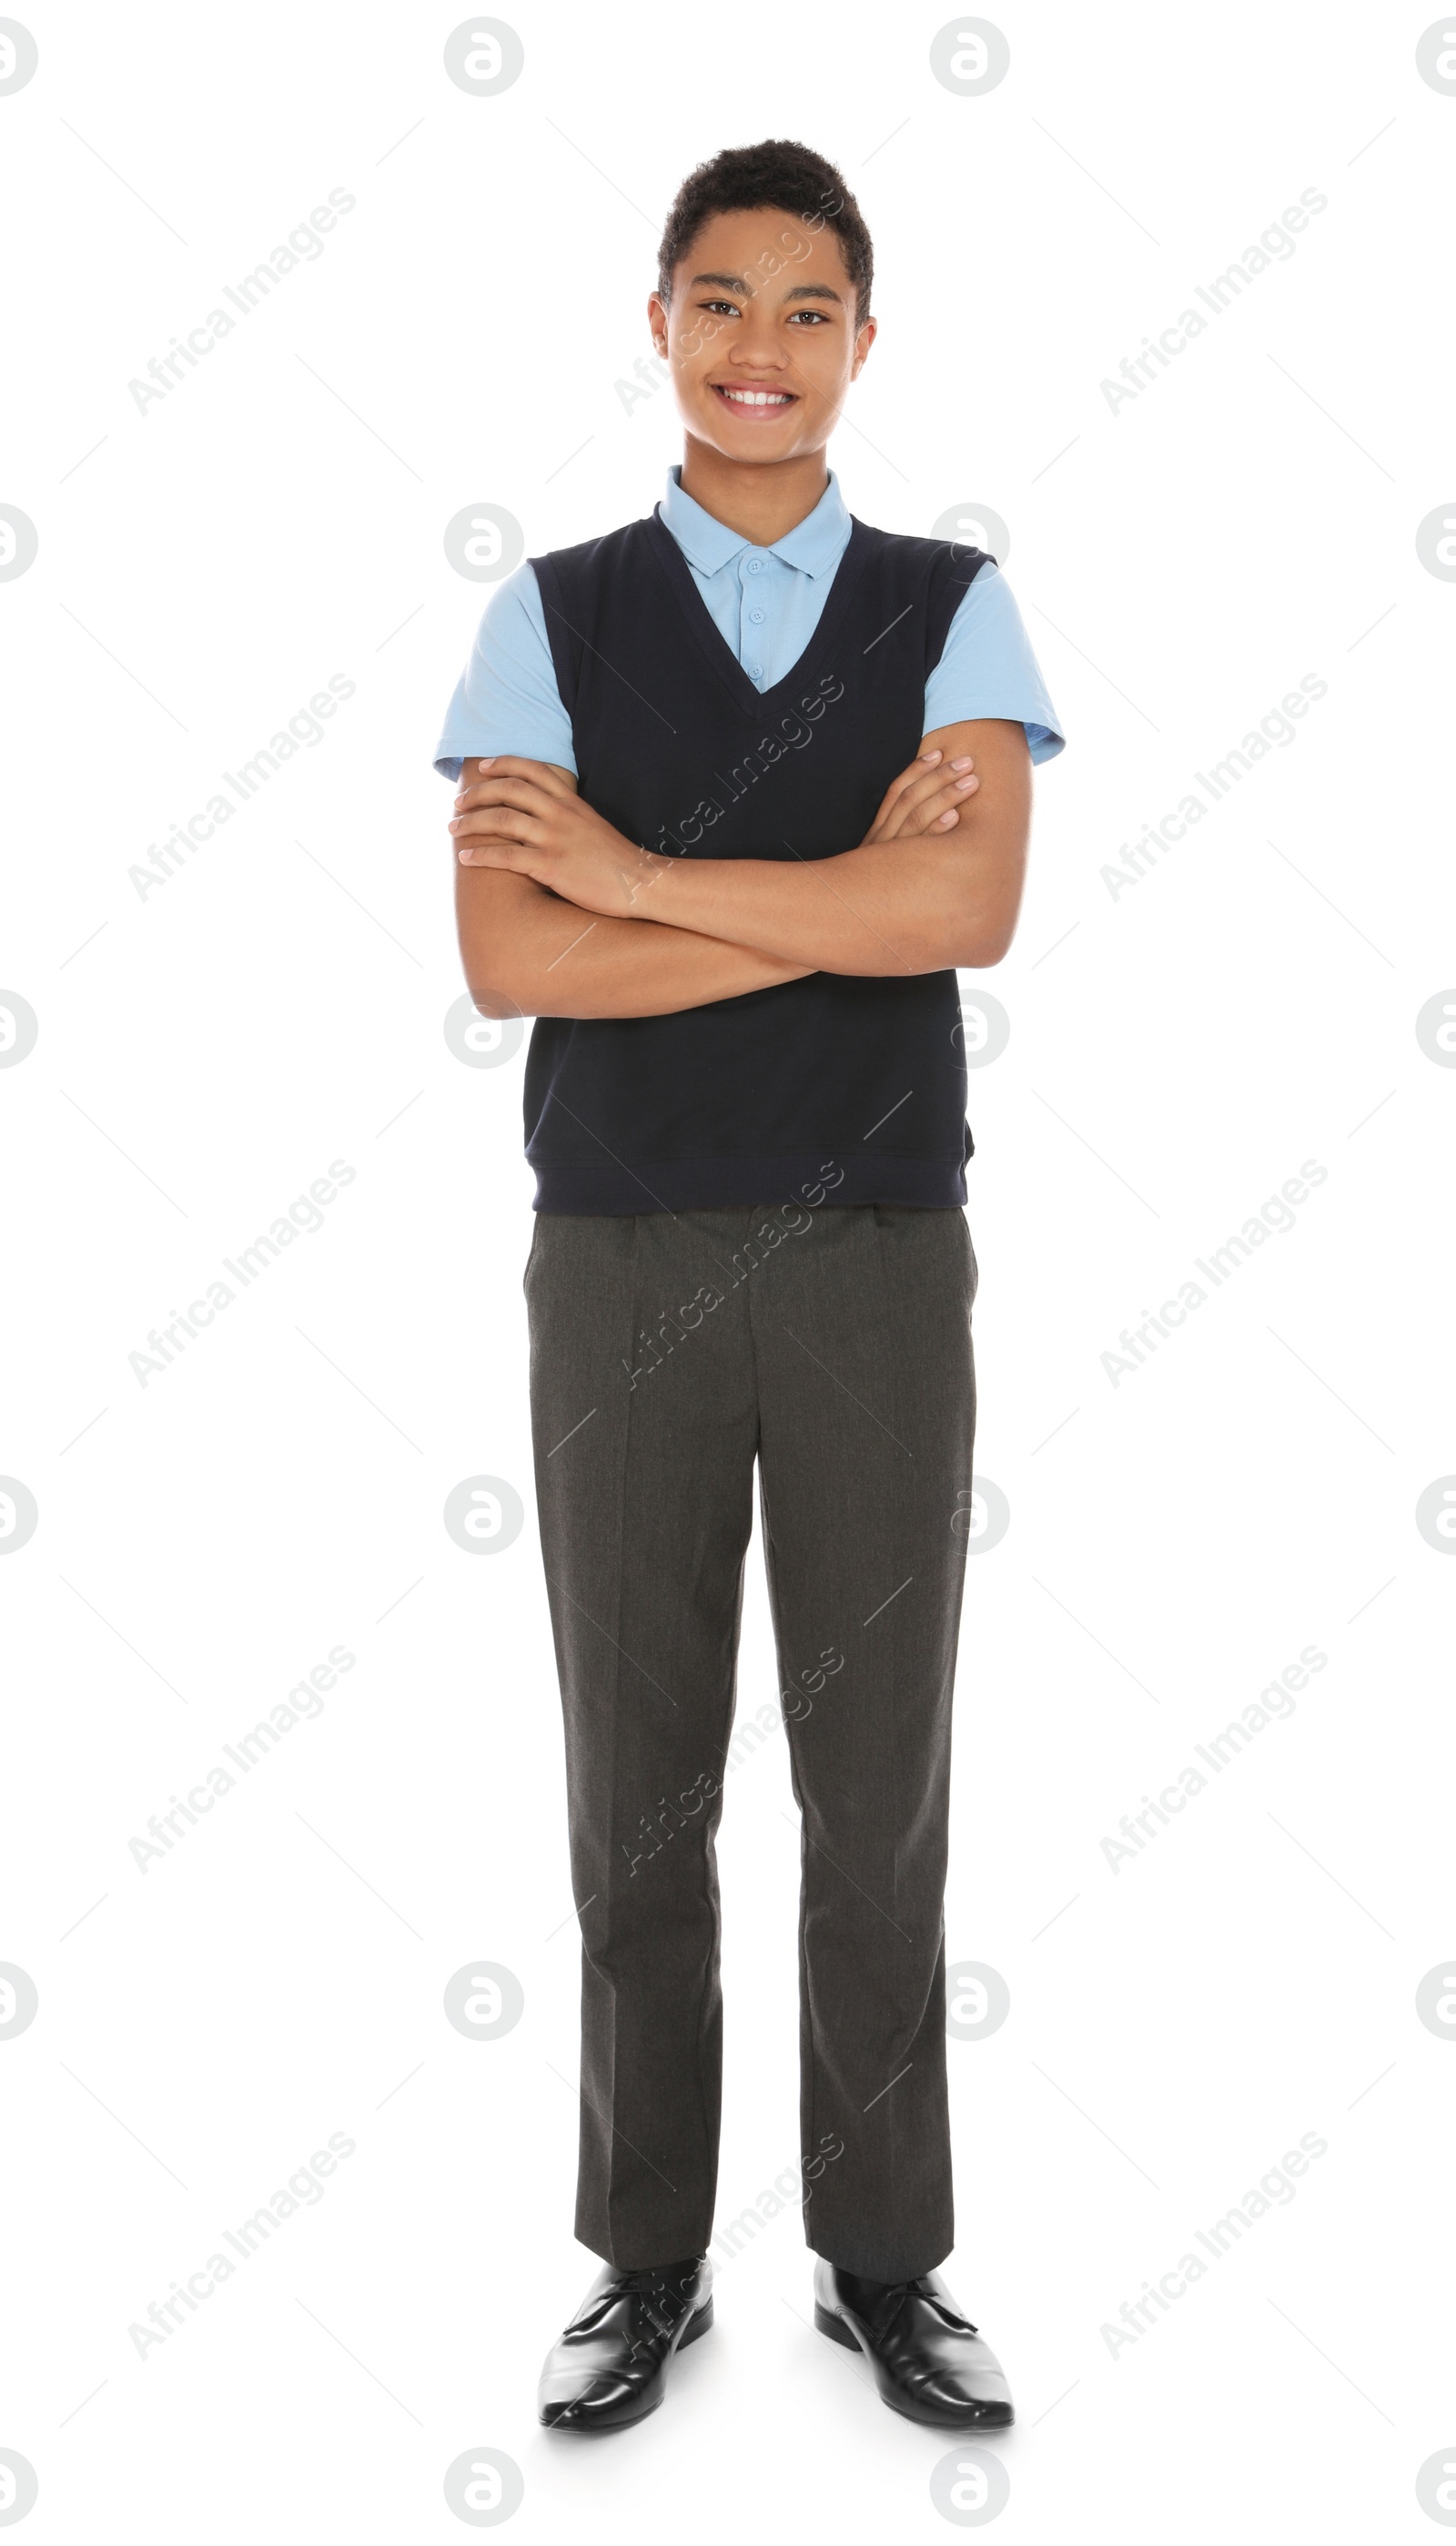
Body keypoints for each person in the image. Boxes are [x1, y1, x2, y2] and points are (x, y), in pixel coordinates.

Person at [434, 137, 1064, 2435]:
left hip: (884, 1248)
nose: (761, 349)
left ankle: (883, 2261)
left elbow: (963, 922)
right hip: (614, 1251)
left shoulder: (951, 605)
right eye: (720, 302)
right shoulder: (553, 611)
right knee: (636, 1779)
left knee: (873, 1775)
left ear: (862, 343)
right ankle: (644, 2256)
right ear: (660, 325)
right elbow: (510, 956)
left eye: (808, 309)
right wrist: (802, 886)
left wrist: (636, 871)